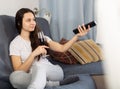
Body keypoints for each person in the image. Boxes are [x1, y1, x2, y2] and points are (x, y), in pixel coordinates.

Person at [9, 8, 90, 89]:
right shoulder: (15, 44)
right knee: (14, 77)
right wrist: (33, 54)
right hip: (32, 74)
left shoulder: (42, 38)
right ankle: (49, 84)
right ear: (19, 23)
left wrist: (77, 36)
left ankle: (40, 84)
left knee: (38, 65)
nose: (33, 23)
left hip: (53, 72)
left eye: (34, 20)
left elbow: (62, 48)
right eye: (28, 20)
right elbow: (19, 71)